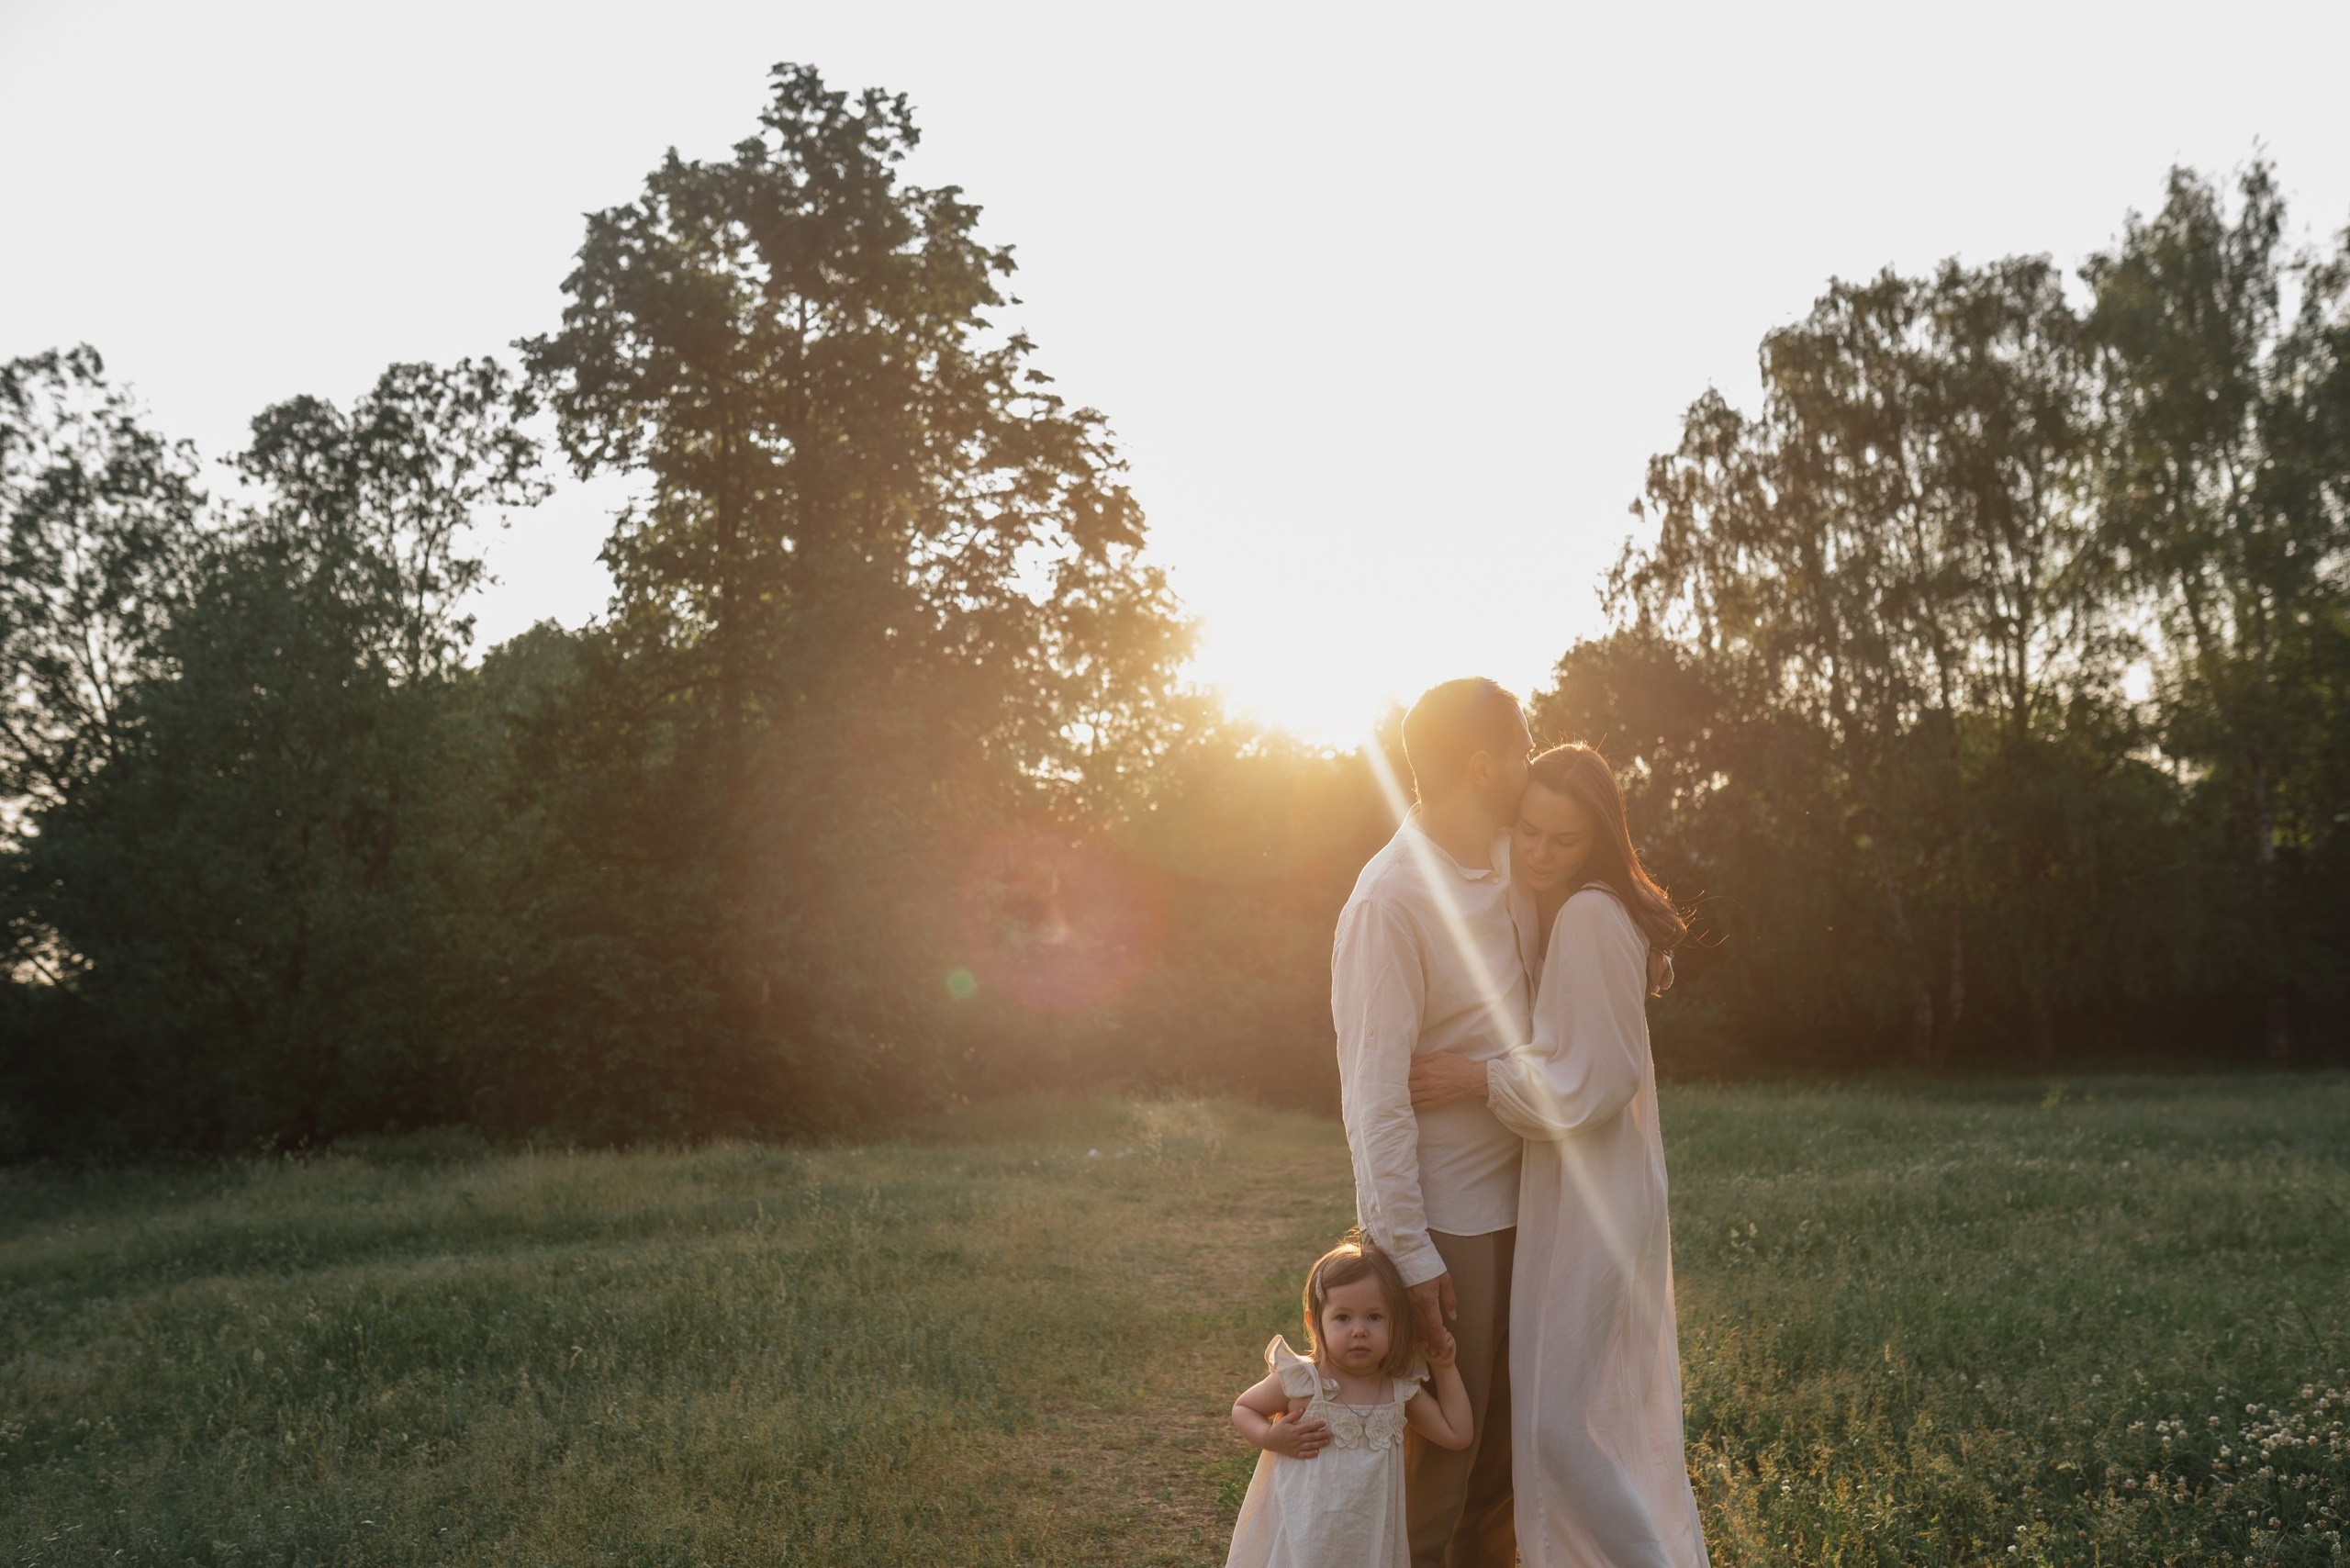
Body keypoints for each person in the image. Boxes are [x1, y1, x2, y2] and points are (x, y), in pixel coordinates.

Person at [1409, 743, 1711, 1568]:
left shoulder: (1589, 914)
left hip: (1597, 1189)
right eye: (1529, 831)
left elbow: (1599, 1078)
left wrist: (1479, 1076)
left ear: (1601, 840)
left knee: (1557, 1425)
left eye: (1564, 840)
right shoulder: (1574, 902)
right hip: (1577, 1181)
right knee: (1574, 1413)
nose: (1539, 854)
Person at [1331, 677, 1537, 1568]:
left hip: (1540, 1197)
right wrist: (1407, 1256)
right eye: (1525, 752)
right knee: (1440, 1468)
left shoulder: (1517, 858)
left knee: (1507, 1459)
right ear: (1486, 765)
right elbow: (1373, 1096)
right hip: (1449, 1221)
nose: (1532, 768)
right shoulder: (1390, 899)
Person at [1225, 1238, 1476, 1568]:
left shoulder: (1398, 1390)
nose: (1359, 1331)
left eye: (1374, 1317)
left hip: (1368, 1545)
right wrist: (1270, 1438)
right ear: (1316, 1323)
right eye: (1343, 1318)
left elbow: (1457, 1434)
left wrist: (1444, 1368)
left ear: (1394, 1323)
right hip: (1304, 1538)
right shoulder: (1304, 1381)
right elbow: (1244, 1408)